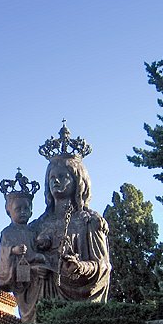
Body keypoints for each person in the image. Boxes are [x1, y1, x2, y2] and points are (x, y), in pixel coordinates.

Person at [32, 123, 111, 303]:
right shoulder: (36, 226)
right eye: (52, 178)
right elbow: (21, 266)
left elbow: (103, 265)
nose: (56, 182)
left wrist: (80, 267)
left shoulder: (90, 222)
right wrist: (33, 270)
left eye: (63, 177)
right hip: (44, 299)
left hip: (79, 299)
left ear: (79, 181)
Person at [0, 170, 51, 322]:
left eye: (26, 209)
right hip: (22, 279)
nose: (23, 212)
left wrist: (42, 243)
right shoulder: (7, 233)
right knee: (29, 316)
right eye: (18, 209)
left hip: (39, 279)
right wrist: (13, 250)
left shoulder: (33, 231)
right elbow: (3, 254)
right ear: (9, 211)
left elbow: (37, 249)